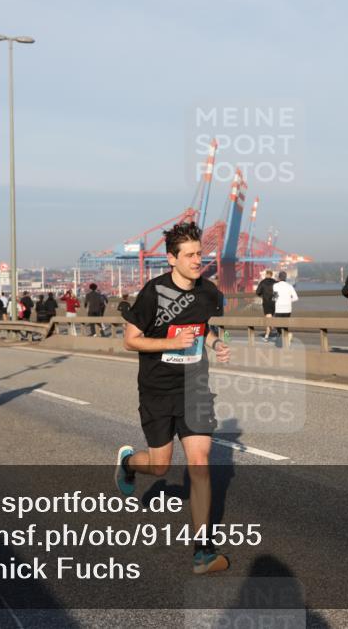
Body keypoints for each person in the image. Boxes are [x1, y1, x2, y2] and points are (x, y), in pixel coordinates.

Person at [115, 221, 231, 575]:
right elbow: (130, 339)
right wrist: (169, 342)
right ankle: (129, 464)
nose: (199, 260)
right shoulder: (154, 293)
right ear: (171, 259)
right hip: (157, 390)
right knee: (161, 465)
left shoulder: (208, 293)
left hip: (194, 386)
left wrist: (214, 343)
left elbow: (202, 326)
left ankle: (203, 551)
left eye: (201, 253)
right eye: (191, 255)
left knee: (200, 462)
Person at [271, 271, 298, 348]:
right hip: (288, 309)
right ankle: (286, 339)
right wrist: (289, 300)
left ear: (279, 278)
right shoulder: (290, 286)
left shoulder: (275, 286)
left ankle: (284, 339)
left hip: (279, 308)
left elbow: (275, 297)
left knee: (278, 326)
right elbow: (296, 298)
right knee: (285, 325)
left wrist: (273, 301)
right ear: (285, 278)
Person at [255, 270, 277, 341]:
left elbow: (257, 292)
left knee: (268, 319)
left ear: (266, 274)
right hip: (273, 302)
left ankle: (267, 335)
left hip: (266, 302)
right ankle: (273, 331)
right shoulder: (275, 282)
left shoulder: (262, 282)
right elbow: (277, 292)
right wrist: (274, 299)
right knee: (270, 318)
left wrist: (262, 295)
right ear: (271, 275)